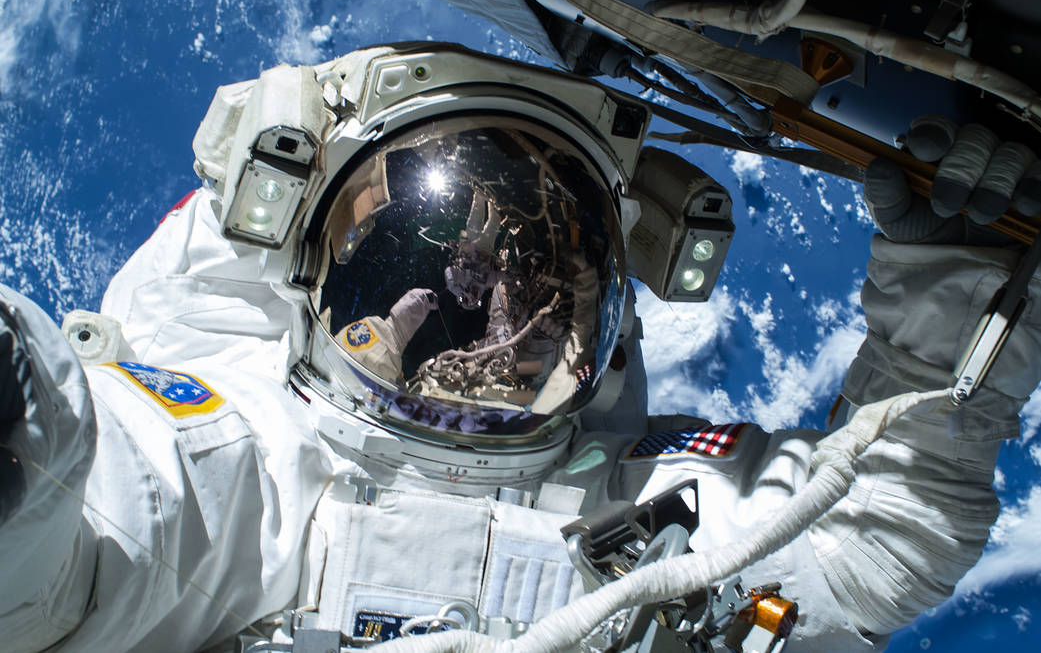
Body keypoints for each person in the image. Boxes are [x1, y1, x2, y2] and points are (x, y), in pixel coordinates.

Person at [1, 43, 1040, 653]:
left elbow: (880, 529)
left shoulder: (647, 506)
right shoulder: (245, 469)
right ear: (319, 276)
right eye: (453, 263)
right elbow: (66, 516)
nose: (503, 310)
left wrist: (959, 269)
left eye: (547, 269)